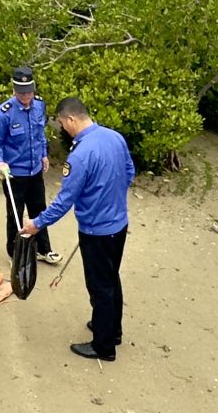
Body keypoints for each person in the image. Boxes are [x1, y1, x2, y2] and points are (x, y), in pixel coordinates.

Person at [22, 97, 135, 362]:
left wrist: (37, 224)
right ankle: (111, 328)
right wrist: (114, 199)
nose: (62, 127)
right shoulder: (114, 137)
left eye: (61, 123)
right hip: (118, 224)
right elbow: (130, 171)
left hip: (97, 231)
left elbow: (64, 201)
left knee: (100, 286)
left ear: (70, 119)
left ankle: (104, 346)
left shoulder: (81, 154)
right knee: (110, 278)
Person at [0, 65, 62, 265]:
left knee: (39, 210)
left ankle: (43, 249)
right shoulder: (4, 113)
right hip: (14, 173)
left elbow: (40, 134)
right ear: (14, 90)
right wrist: (0, 162)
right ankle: (16, 254)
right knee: (15, 214)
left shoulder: (39, 105)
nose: (26, 96)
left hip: (35, 170)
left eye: (29, 91)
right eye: (22, 92)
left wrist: (44, 155)